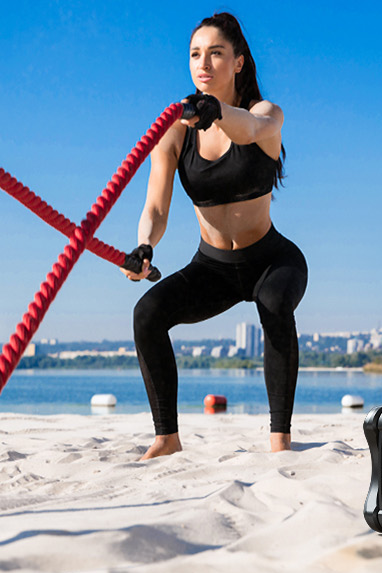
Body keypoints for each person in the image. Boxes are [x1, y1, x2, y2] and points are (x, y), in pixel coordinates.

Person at [121, 12, 307, 460]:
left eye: (216, 53)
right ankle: (167, 437)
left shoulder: (266, 114)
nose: (203, 63)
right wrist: (145, 245)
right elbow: (156, 207)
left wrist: (216, 112)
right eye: (195, 54)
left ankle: (280, 441)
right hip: (213, 268)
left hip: (271, 260)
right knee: (147, 313)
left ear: (238, 62)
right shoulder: (175, 131)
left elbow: (250, 128)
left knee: (274, 304)